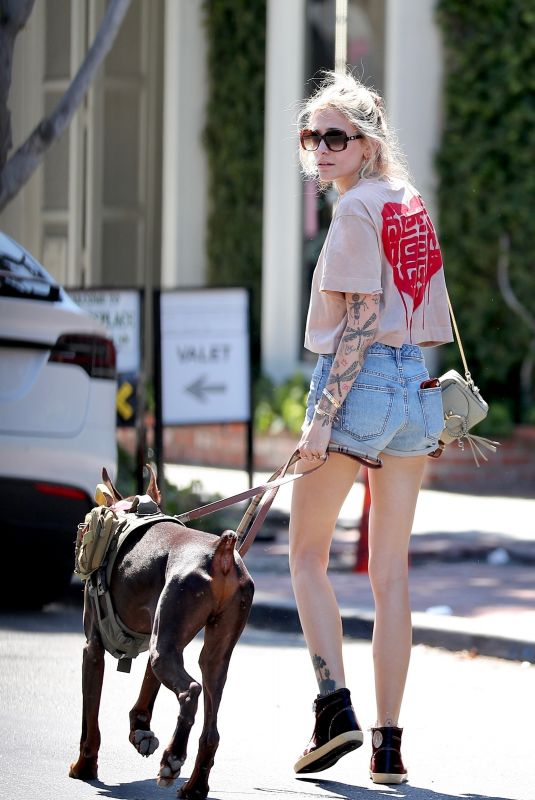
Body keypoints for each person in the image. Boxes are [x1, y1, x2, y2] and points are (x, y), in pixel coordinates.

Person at [289, 71, 453, 785]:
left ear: (366, 141)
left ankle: (333, 710)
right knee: (390, 573)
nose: (320, 151)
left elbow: (355, 323)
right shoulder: (406, 202)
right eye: (311, 137)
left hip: (359, 384)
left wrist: (320, 422)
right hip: (414, 386)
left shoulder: (355, 209)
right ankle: (388, 748)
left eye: (334, 137)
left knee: (304, 555)